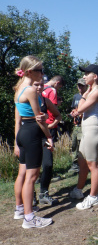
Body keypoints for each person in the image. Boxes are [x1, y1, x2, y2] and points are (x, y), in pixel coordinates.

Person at [13, 55, 53, 229]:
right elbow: (39, 119)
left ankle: (21, 209)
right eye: (40, 70)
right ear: (30, 71)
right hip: (32, 133)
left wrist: (16, 141)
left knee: (25, 174)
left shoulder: (19, 88)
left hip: (23, 133)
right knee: (32, 177)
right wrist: (49, 136)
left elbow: (20, 117)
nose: (42, 74)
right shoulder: (29, 90)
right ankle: (29, 218)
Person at [69, 64, 98, 210]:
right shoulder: (91, 92)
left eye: (87, 74)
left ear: (95, 77)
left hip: (92, 131)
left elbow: (81, 109)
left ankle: (93, 197)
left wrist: (78, 107)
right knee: (82, 162)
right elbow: (80, 109)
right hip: (86, 130)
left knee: (93, 165)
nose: (84, 76)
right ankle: (79, 190)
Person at [33, 78, 62, 206]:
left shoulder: (45, 100)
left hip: (45, 137)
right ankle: (31, 196)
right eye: (36, 85)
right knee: (32, 169)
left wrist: (51, 125)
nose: (39, 87)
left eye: (40, 85)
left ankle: (44, 193)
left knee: (48, 164)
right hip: (31, 138)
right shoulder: (26, 101)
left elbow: (58, 115)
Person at [68, 78, 88, 173]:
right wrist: (73, 112)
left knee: (82, 145)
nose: (80, 87)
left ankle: (83, 165)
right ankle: (75, 165)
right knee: (74, 145)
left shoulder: (88, 96)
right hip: (76, 125)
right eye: (79, 85)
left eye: (82, 85)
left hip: (84, 124)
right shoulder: (76, 97)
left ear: (86, 86)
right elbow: (73, 108)